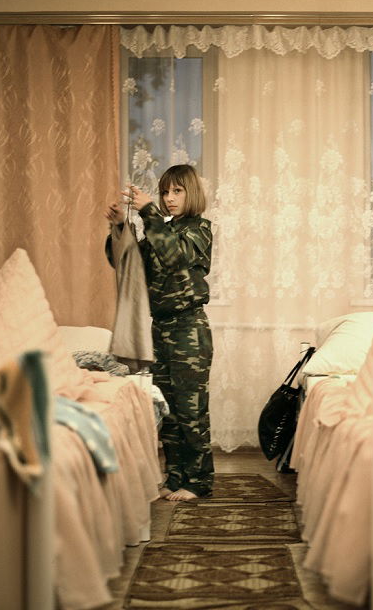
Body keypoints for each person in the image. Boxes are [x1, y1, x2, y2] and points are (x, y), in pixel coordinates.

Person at [104, 164, 214, 501]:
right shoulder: (159, 230)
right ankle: (176, 477)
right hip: (160, 327)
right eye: (165, 192)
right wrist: (120, 227)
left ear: (191, 193)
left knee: (191, 410)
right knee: (168, 411)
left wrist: (148, 212)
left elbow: (174, 256)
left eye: (176, 191)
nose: (168, 199)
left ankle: (198, 482)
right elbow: (126, 263)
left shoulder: (200, 229)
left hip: (189, 328)